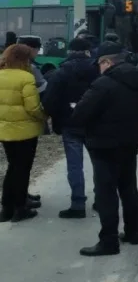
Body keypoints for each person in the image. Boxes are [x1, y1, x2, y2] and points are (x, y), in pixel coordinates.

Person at [69, 42, 138, 256]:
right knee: (129, 189)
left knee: (106, 194)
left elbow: (80, 114)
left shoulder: (103, 84)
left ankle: (109, 241)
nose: (98, 68)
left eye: (99, 64)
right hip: (130, 143)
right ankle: (133, 232)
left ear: (107, 62)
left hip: (104, 146)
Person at [43, 38, 100, 218]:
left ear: (69, 51)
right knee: (99, 164)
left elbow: (49, 101)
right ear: (88, 51)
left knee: (74, 165)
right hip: (95, 124)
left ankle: (77, 204)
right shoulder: (98, 71)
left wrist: (59, 117)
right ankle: (102, 200)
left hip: (70, 125)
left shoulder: (60, 73)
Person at [0, 44, 47, 222]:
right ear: (24, 59)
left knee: (12, 167)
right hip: (25, 132)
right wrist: (43, 116)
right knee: (22, 170)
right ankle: (20, 209)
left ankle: (6, 209)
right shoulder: (26, 78)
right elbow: (33, 107)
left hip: (5, 131)